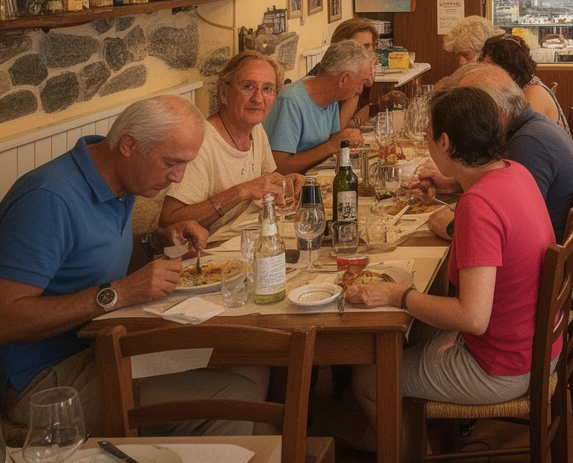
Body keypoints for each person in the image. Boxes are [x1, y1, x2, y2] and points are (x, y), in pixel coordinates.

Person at [0, 96, 265, 435]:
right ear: (128, 144)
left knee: (246, 358)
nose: (178, 176)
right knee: (236, 396)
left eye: (186, 164)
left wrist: (156, 243)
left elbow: (93, 261)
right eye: (172, 162)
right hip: (44, 382)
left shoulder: (121, 182)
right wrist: (117, 294)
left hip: (102, 347)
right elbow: (6, 319)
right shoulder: (49, 198)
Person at [346, 86, 559, 434]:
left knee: (368, 378)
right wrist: (450, 186)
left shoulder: (478, 205)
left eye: (429, 137)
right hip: (538, 346)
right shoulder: (514, 171)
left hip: (502, 367)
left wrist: (397, 295)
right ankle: (423, 435)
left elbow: (472, 317)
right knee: (417, 330)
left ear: (444, 143)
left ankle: (405, 450)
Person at [418, 64, 573, 244]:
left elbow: (508, 222)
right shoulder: (530, 127)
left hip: (538, 260)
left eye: (470, 110)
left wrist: (451, 226)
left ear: (498, 112)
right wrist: (454, 183)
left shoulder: (527, 144)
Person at [160, 51, 305, 233]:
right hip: (206, 250)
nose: (258, 98)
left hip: (247, 238)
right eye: (248, 86)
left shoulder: (256, 129)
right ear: (224, 92)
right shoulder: (202, 142)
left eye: (267, 89)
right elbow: (169, 221)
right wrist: (240, 192)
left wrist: (287, 182)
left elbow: (268, 180)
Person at [263, 40, 371, 174]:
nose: (360, 90)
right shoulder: (290, 101)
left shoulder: (330, 97)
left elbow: (335, 142)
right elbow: (278, 167)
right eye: (361, 82)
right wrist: (332, 146)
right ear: (344, 79)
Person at [308, 18, 403, 128]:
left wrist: (378, 106)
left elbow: (362, 112)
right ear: (341, 47)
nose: (364, 52)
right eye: (357, 47)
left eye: (367, 46)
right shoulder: (327, 76)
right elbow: (337, 130)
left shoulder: (364, 72)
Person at [478, 33, 569, 134]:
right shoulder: (518, 90)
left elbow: (524, 138)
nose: (484, 74)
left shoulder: (534, 94)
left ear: (511, 71)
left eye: (490, 69)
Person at [438, 16, 503, 77]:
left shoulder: (498, 78)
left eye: (466, 55)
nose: (461, 63)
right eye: (458, 56)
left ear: (485, 52)